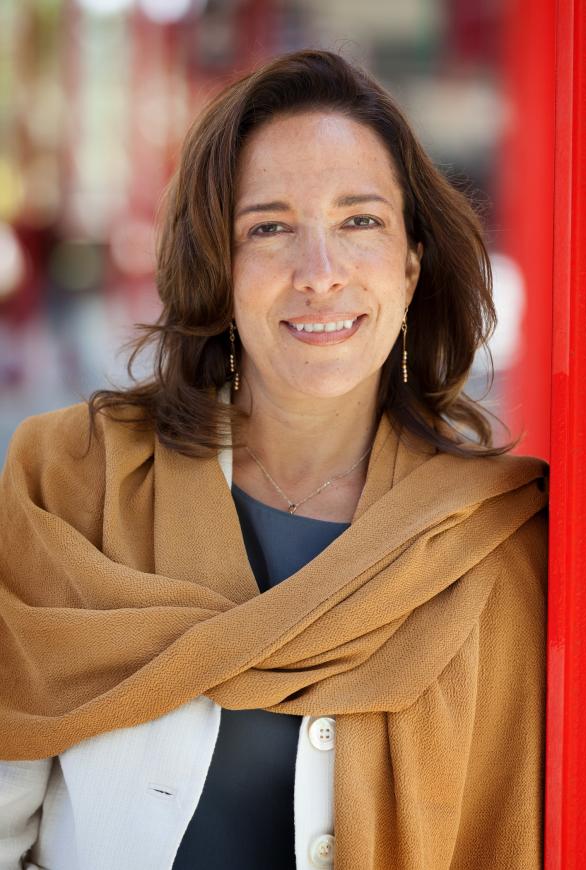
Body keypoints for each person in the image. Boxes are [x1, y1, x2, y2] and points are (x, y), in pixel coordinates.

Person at [0, 49, 548, 870]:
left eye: (359, 221)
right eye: (269, 227)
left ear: (410, 263)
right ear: (218, 272)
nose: (318, 274)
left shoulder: (495, 544)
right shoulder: (70, 478)